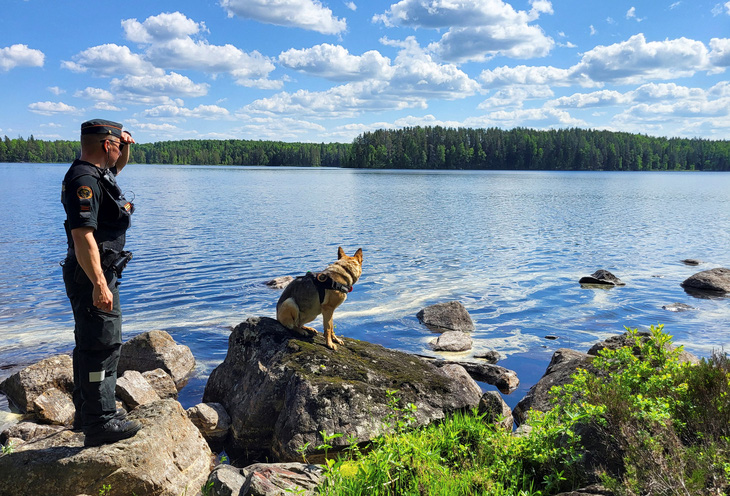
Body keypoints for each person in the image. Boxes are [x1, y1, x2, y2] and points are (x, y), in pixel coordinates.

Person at [61, 119, 141, 447]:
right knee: (103, 345)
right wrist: (99, 283)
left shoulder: (95, 173)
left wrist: (126, 149)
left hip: (96, 273)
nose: (121, 152)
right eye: (117, 147)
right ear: (106, 145)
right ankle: (101, 423)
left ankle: (87, 413)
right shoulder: (85, 180)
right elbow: (83, 236)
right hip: (92, 275)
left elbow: (116, 168)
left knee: (89, 343)